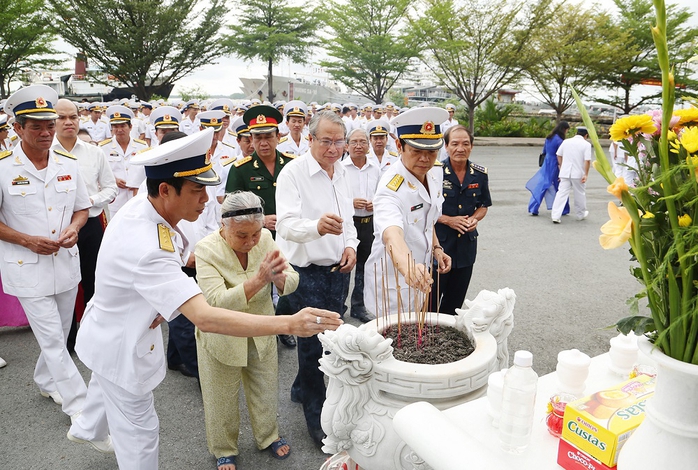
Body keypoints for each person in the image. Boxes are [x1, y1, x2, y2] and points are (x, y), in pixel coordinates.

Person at [67, 128, 341, 469]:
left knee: (101, 388)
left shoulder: (148, 203)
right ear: (166, 189)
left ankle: (87, 427)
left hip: (111, 323)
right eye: (197, 190)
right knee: (140, 432)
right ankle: (95, 429)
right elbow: (207, 316)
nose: (206, 200)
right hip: (121, 343)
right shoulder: (148, 246)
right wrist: (290, 322)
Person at [0, 85, 90, 419]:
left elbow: (83, 208)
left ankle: (45, 378)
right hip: (25, 265)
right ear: (17, 128)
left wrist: (75, 228)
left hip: (65, 263)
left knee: (60, 330)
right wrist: (26, 240)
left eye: (49, 124)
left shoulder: (69, 162)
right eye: (35, 125)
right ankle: (82, 411)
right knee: (53, 339)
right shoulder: (3, 167)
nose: (45, 132)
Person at [195, 191, 298, 470]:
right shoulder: (205, 250)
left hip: (262, 331)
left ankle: (268, 436)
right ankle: (223, 449)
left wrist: (279, 280)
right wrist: (258, 280)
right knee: (221, 397)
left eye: (255, 233)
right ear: (223, 226)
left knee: (265, 389)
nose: (251, 242)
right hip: (222, 336)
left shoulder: (265, 238)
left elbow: (291, 280)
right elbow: (215, 302)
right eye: (242, 235)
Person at [275, 110, 358, 446]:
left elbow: (350, 219)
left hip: (338, 271)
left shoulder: (343, 172)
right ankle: (316, 415)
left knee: (332, 340)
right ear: (310, 139)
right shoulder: (293, 173)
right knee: (313, 347)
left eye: (340, 142)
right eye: (326, 141)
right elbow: (285, 225)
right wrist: (316, 227)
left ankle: (300, 388)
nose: (334, 148)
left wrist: (351, 245)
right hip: (305, 272)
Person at [364, 107, 452, 318]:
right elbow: (391, 233)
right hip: (392, 280)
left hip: (420, 276)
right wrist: (408, 267)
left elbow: (427, 220)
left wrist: (436, 247)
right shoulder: (390, 187)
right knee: (390, 344)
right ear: (399, 146)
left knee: (416, 334)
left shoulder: (433, 173)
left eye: (431, 152)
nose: (425, 159)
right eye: (416, 151)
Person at [226, 105, 298, 348]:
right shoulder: (241, 169)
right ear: (250, 139)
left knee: (287, 279)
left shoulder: (292, 165)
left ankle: (283, 325)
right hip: (255, 237)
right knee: (261, 282)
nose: (263, 142)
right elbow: (231, 210)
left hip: (290, 235)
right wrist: (262, 220)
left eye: (268, 136)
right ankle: (261, 330)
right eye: (257, 137)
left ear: (278, 137)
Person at [52, 99, 118, 353]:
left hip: (90, 225)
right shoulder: (45, 152)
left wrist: (89, 200)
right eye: (62, 117)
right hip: (58, 226)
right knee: (63, 284)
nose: (68, 122)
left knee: (94, 281)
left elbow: (110, 188)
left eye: (73, 117)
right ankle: (67, 340)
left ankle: (93, 337)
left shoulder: (94, 152)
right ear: (53, 121)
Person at [430, 126, 490, 315]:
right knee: (430, 301)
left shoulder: (479, 174)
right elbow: (424, 209)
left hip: (466, 247)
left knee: (455, 303)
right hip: (439, 245)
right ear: (446, 146)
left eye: (465, 144)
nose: (460, 148)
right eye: (454, 144)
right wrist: (448, 220)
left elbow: (483, 205)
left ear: (471, 146)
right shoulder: (434, 173)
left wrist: (474, 219)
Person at [342, 128, 380, 322]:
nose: (359, 146)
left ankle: (359, 305)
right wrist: (351, 203)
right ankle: (339, 306)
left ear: (368, 145)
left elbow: (382, 194)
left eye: (363, 142)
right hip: (348, 223)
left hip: (369, 223)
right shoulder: (340, 168)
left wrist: (376, 203)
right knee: (344, 264)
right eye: (354, 142)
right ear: (347, 146)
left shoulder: (375, 168)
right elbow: (334, 197)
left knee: (365, 267)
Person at [100, 105, 149, 217]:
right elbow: (100, 171)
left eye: (123, 126)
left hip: (137, 195)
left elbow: (147, 170)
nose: (119, 130)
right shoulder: (104, 147)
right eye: (115, 126)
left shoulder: (142, 146)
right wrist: (114, 180)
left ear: (130, 127)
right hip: (116, 197)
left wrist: (137, 183)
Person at [526, 121, 570, 216]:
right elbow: (561, 155)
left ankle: (533, 207)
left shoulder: (549, 138)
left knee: (542, 185)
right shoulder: (560, 141)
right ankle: (563, 208)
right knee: (561, 186)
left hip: (547, 162)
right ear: (564, 129)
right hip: (555, 164)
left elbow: (544, 151)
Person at [551, 126, 592, 224]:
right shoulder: (586, 144)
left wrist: (561, 166)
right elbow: (587, 160)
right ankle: (580, 214)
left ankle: (555, 216)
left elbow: (559, 154)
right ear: (586, 135)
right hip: (578, 173)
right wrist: (586, 174)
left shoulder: (566, 142)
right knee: (580, 194)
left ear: (576, 133)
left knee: (561, 193)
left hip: (565, 172)